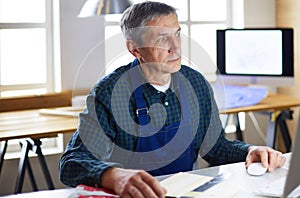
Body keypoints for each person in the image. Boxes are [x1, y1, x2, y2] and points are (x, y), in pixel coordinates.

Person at [59, 1, 286, 197]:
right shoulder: (109, 92)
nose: (175, 47)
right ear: (135, 49)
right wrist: (113, 175)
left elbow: (216, 147)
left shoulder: (195, 83)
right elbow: (71, 163)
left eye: (177, 34)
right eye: (162, 39)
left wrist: (249, 151)